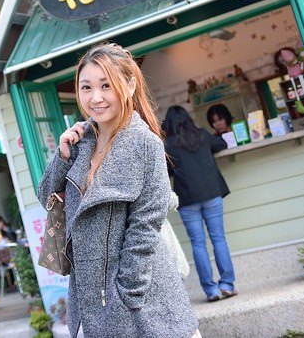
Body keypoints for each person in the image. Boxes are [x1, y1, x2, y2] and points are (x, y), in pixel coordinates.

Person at [37, 43, 200, 338]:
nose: (95, 98)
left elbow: (146, 226)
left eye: (106, 86)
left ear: (129, 85)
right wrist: (61, 157)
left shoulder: (144, 143)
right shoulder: (80, 140)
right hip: (90, 300)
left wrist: (126, 293)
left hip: (142, 304)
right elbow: (46, 199)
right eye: (86, 87)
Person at [163, 105, 237, 302]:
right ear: (188, 119)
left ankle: (211, 291)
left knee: (198, 244)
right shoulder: (203, 135)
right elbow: (221, 144)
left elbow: (166, 171)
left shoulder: (167, 145)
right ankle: (227, 284)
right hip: (211, 193)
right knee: (218, 238)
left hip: (187, 199)